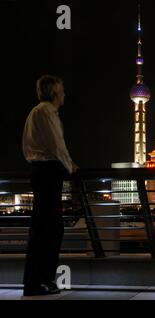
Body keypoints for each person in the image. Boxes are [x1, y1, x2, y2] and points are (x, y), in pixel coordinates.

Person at [22, 75, 79, 296]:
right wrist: (70, 165)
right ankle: (38, 282)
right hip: (47, 173)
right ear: (54, 91)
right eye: (62, 90)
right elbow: (56, 145)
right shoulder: (45, 112)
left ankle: (40, 280)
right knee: (49, 229)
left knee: (45, 229)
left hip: (42, 173)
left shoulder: (39, 112)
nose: (65, 93)